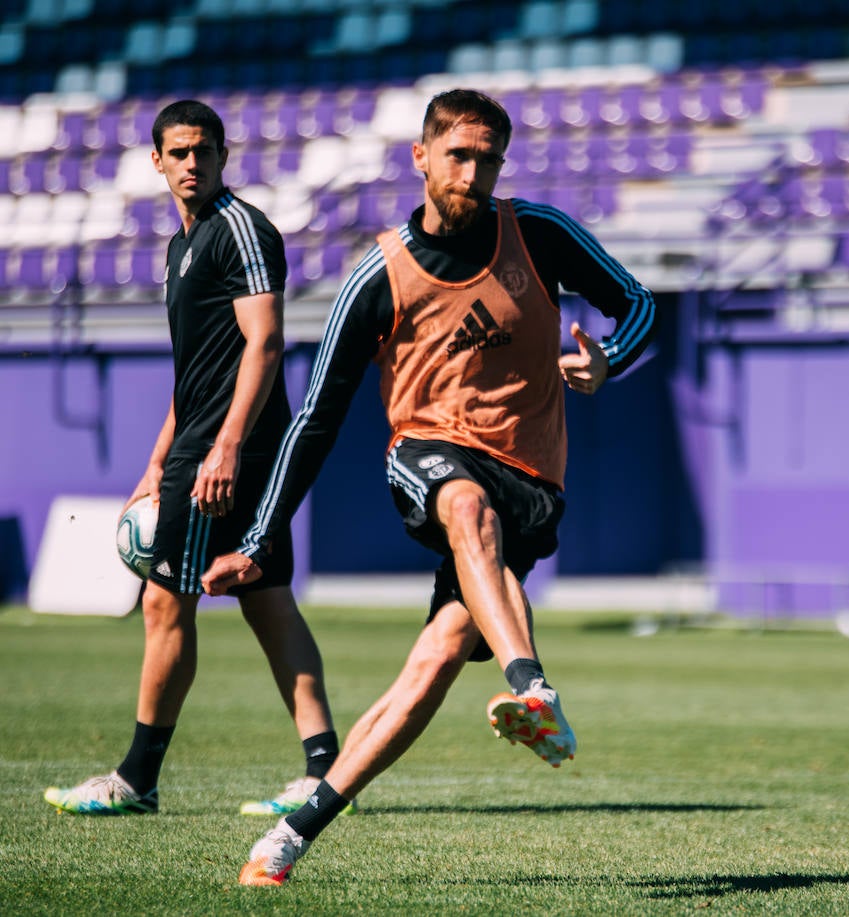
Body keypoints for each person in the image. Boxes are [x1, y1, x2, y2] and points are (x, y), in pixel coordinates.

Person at [199, 87, 657, 887]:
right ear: (420, 156)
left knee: (437, 656)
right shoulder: (380, 275)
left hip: (535, 483)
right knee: (464, 504)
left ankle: (291, 834)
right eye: (458, 155)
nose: (473, 173)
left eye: (488, 159)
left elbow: (640, 303)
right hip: (431, 453)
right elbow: (314, 419)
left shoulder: (538, 235)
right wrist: (260, 537)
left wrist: (610, 358)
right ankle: (534, 687)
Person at [43, 100, 349, 819]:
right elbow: (195, 373)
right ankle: (324, 770)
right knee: (268, 599)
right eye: (177, 152)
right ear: (156, 160)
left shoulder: (240, 227)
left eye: (203, 151)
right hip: (203, 446)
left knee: (164, 599)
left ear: (222, 155)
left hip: (227, 450)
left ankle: (137, 777)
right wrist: (155, 465)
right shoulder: (183, 246)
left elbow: (265, 343)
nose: (191, 163)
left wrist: (227, 448)